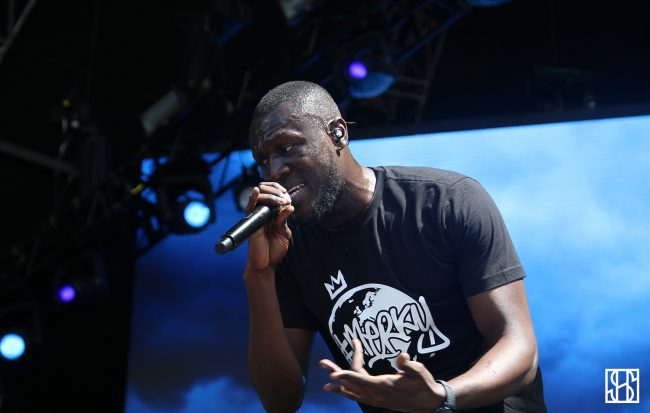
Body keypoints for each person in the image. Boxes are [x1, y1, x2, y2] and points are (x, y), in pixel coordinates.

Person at [243, 80, 546, 413]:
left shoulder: (445, 201)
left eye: (287, 147)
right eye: (263, 160)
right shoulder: (290, 246)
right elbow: (280, 402)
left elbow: (519, 347)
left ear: (337, 134)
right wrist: (260, 275)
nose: (274, 171)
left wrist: (441, 397)